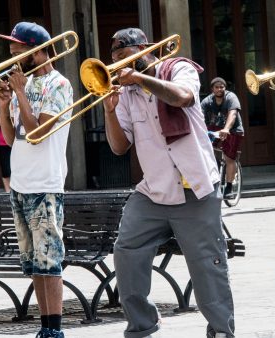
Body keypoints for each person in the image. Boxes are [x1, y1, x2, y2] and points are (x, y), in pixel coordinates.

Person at [102, 28, 235, 338]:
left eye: (124, 56)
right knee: (126, 252)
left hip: (195, 188)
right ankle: (142, 326)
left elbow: (183, 97)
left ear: (145, 49)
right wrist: (110, 111)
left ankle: (221, 331)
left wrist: (140, 78)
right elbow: (119, 147)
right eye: (115, 59)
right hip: (155, 189)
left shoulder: (178, 68)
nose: (120, 64)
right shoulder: (124, 93)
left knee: (207, 267)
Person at [0, 22, 73, 338]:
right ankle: (44, 326)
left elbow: (38, 133)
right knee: (33, 264)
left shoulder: (59, 84)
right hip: (21, 183)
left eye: (18, 53)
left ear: (38, 51)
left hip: (45, 184)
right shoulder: (21, 87)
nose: (12, 60)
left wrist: (21, 93)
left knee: (49, 261)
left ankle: (55, 329)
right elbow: (15, 139)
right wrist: (4, 104)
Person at [201, 77, 244, 198]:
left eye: (222, 87)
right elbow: (199, 116)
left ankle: (229, 186)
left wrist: (226, 128)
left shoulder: (231, 97)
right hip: (214, 129)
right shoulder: (207, 101)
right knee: (207, 152)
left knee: (229, 158)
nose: (219, 89)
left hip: (233, 130)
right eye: (217, 87)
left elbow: (233, 113)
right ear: (212, 89)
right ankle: (215, 170)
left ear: (225, 88)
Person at [0, 114, 11, 192]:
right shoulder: (4, 110)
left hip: (15, 143)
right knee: (5, 169)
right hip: (3, 144)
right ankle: (8, 191)